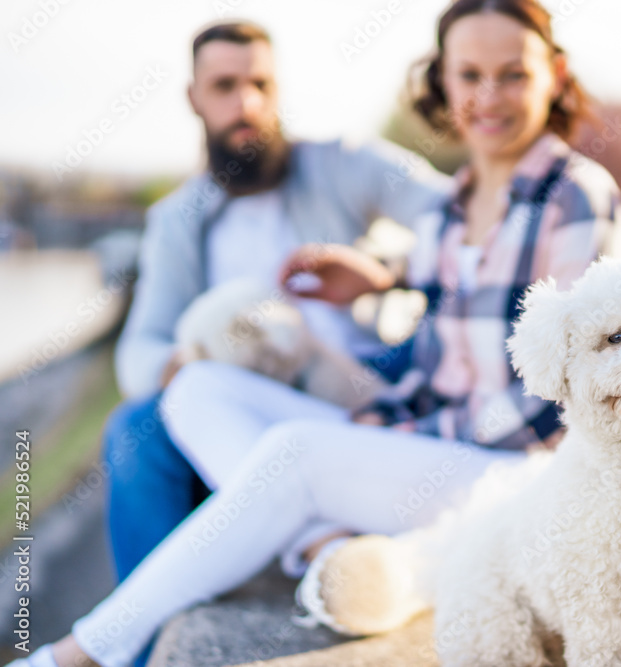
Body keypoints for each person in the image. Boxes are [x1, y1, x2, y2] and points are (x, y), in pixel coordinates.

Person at [10, 2, 621, 665]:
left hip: (520, 476)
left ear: (554, 73)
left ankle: (75, 653)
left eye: (512, 75)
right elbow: (449, 275)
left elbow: (578, 391)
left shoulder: (576, 196)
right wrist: (380, 276)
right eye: (469, 75)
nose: (488, 97)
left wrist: (393, 434)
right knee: (197, 391)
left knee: (296, 451)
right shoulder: (455, 205)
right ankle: (333, 552)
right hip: (429, 443)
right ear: (443, 82)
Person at [102, 20, 449, 589]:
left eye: (261, 84)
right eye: (224, 86)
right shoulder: (176, 220)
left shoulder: (343, 162)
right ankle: (154, 628)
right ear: (194, 98)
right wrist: (195, 362)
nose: (247, 103)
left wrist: (386, 273)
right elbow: (138, 350)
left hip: (369, 376)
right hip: (249, 397)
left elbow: (465, 218)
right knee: (132, 430)